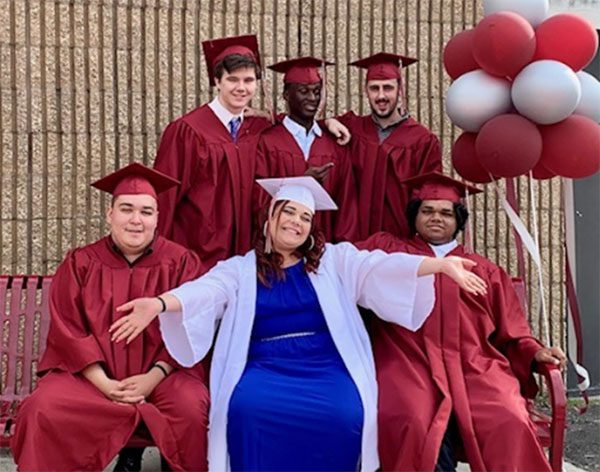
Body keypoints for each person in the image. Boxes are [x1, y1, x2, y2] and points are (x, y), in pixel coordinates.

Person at [110, 176, 487, 472]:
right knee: (246, 410)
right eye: (288, 212)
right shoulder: (241, 269)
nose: (296, 222)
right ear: (270, 217)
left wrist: (438, 264)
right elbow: (204, 291)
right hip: (262, 365)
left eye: (305, 217)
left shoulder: (333, 263)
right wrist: (159, 304)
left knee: (344, 413)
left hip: (326, 363)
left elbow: (378, 265)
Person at [356, 172, 567, 472]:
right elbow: (343, 267)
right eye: (427, 210)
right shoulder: (388, 252)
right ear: (414, 215)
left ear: (459, 220)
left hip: (475, 365)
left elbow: (513, 331)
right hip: (407, 362)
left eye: (445, 212)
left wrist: (534, 353)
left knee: (509, 417)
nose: (435, 218)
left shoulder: (486, 271)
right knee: (411, 419)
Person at [11, 164, 210, 472]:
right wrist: (104, 383)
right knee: (41, 408)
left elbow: (193, 325)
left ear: (158, 218)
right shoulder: (81, 263)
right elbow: (68, 330)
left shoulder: (181, 263)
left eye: (146, 211)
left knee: (191, 406)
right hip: (91, 379)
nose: (136, 220)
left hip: (162, 378)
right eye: (126, 209)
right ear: (110, 214)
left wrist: (152, 377)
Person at [337, 52, 442, 240]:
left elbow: (429, 196)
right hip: (354, 244)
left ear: (400, 90)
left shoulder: (423, 141)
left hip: (400, 243)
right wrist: (329, 122)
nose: (381, 96)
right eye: (374, 88)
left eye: (388, 88)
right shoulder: (352, 127)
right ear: (365, 91)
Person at [255, 57, 359, 242]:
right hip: (278, 248)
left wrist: (340, 251)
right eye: (303, 91)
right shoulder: (267, 141)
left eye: (316, 91)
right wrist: (301, 183)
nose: (312, 98)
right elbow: (258, 198)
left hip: (324, 248)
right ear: (286, 94)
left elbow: (347, 205)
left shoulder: (335, 145)